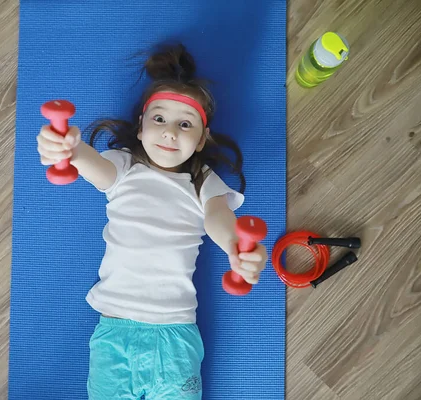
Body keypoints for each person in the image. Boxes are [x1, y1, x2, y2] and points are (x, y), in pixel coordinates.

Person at [36, 43, 267, 400]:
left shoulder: (203, 182)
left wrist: (237, 248)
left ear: (202, 138)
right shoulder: (125, 166)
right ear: (141, 128)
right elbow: (94, 167)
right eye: (159, 119)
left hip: (175, 333)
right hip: (114, 332)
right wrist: (69, 147)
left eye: (184, 123)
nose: (170, 132)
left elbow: (219, 218)